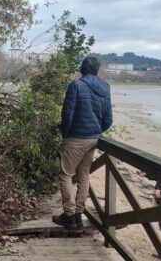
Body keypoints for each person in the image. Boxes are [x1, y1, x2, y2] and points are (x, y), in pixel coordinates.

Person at [52, 56, 112, 229]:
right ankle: (79, 213)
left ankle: (69, 216)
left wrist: (66, 133)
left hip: (76, 138)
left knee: (66, 174)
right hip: (93, 138)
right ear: (97, 70)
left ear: (82, 69)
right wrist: (96, 130)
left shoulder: (76, 86)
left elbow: (67, 114)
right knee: (84, 175)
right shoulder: (105, 87)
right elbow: (108, 119)